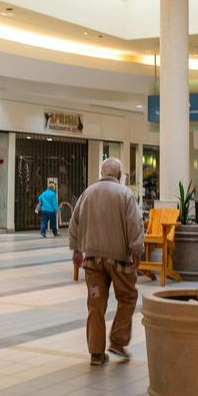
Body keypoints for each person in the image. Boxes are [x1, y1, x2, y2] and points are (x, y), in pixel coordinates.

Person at [68, 157, 144, 366]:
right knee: (127, 297)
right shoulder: (125, 194)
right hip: (119, 260)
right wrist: (137, 251)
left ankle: (96, 353)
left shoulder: (88, 193)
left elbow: (74, 223)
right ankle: (118, 342)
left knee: (95, 304)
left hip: (92, 261)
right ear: (119, 175)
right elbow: (134, 225)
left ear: (102, 173)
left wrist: (76, 249)